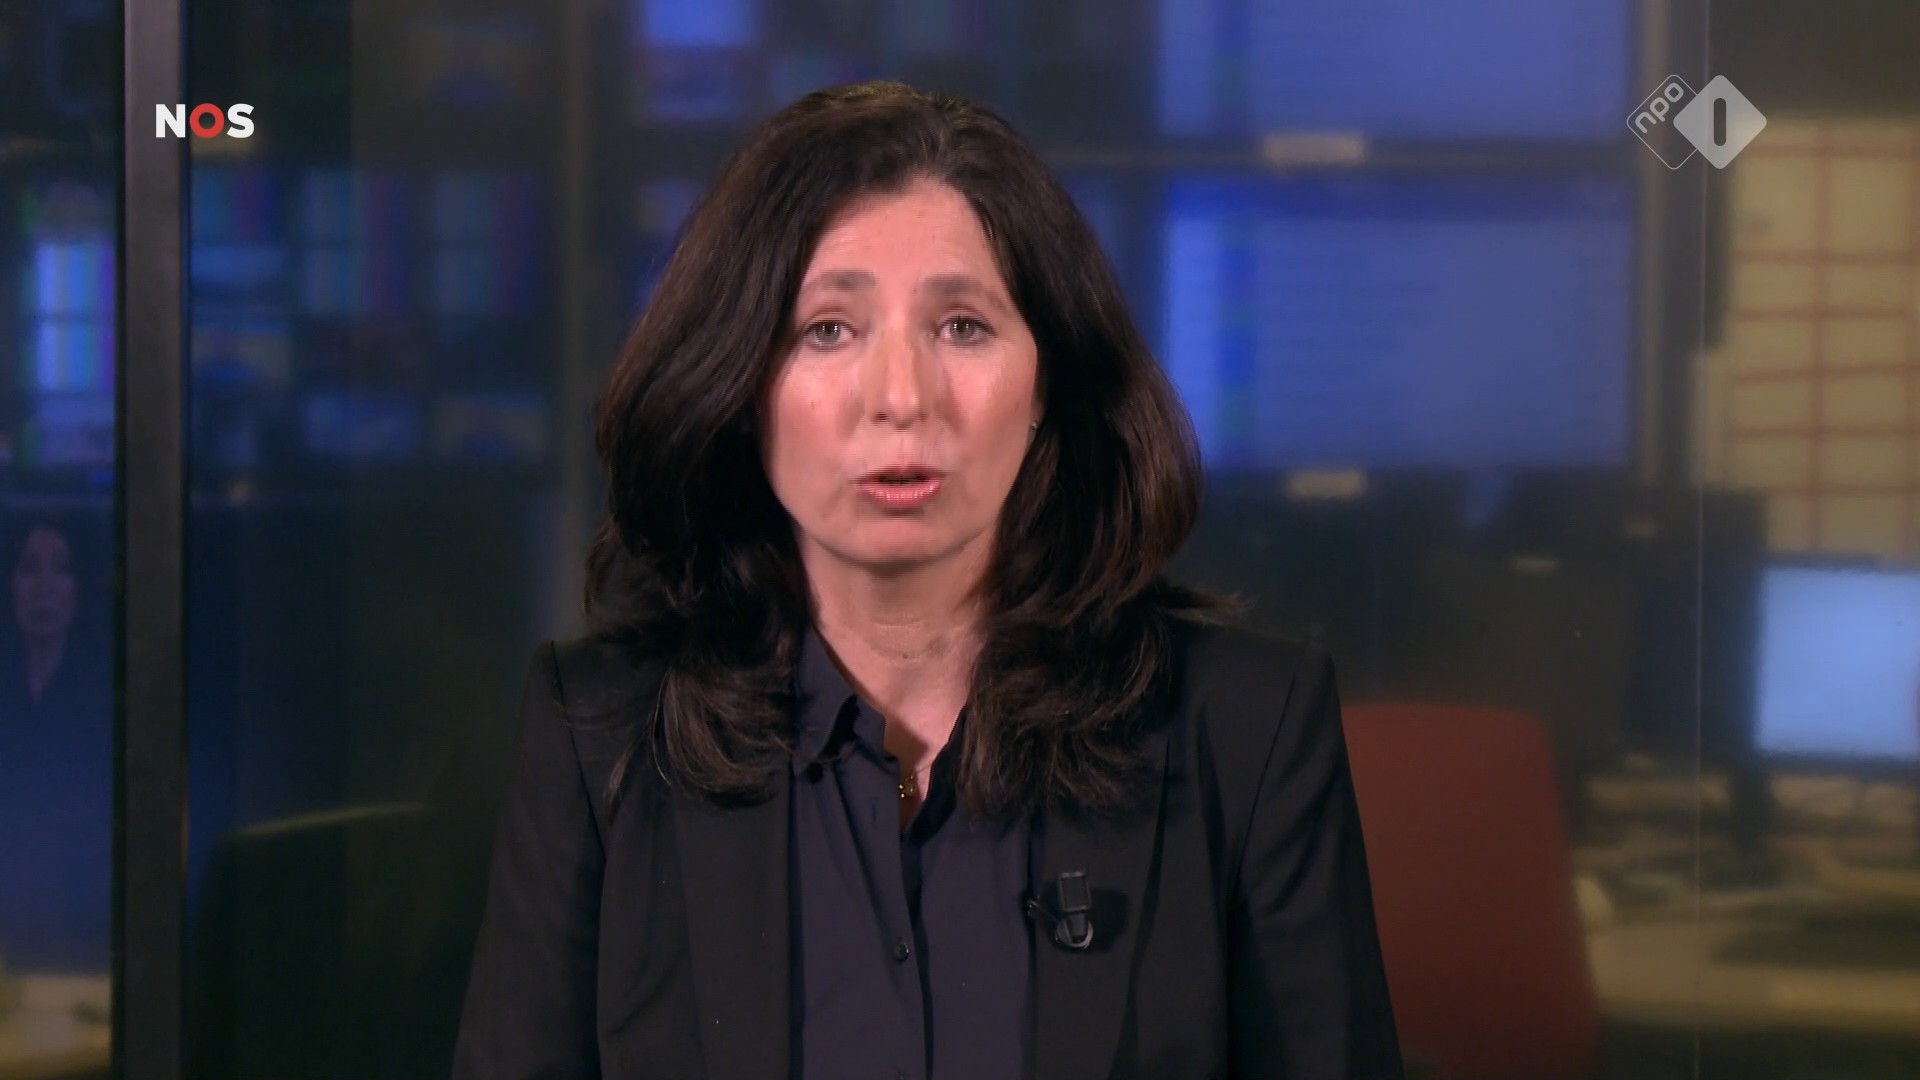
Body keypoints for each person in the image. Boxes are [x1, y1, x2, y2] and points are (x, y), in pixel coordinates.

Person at [455, 81, 1402, 1080]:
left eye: (962, 327)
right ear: (738, 384)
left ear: (1047, 383)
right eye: (828, 329)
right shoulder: (599, 740)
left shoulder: (1245, 735)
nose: (901, 398)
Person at [0, 511, 113, 974]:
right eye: (29, 568)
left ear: (78, 590)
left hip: (84, 939)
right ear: (10, 586)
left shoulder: (104, 701)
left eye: (60, 568)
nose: (44, 586)